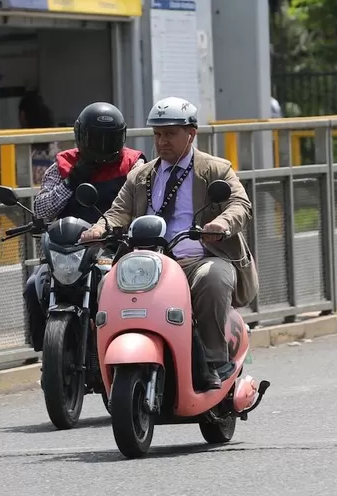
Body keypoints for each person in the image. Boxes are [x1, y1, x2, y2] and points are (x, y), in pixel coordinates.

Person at [79, 96, 259, 391]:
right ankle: (106, 362)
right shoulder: (141, 175)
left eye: (170, 134)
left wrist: (221, 224)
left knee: (214, 278)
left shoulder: (216, 169)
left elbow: (240, 204)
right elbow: (117, 212)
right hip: (150, 265)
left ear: (191, 133)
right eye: (158, 134)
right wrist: (98, 229)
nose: (162, 141)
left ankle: (214, 360)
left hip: (198, 259)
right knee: (106, 284)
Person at [22, 102, 146, 352]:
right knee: (33, 285)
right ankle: (47, 350)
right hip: (69, 250)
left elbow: (143, 205)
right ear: (80, 137)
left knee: (120, 290)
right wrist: (72, 180)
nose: (101, 147)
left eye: (108, 139)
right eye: (95, 139)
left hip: (116, 250)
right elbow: (42, 209)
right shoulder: (63, 165)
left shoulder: (134, 164)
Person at [17, 91, 58, 186]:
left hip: (28, 194)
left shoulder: (20, 144)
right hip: (54, 191)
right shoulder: (58, 140)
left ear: (22, 115)